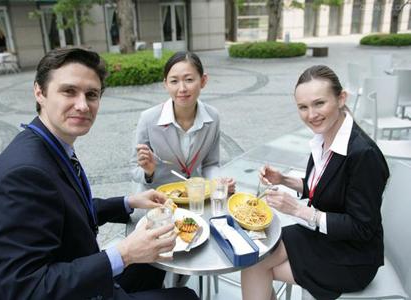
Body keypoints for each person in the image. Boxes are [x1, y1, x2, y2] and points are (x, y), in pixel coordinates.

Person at [0, 47, 198, 300]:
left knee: (152, 263)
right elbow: (24, 289)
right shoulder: (24, 175)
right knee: (186, 296)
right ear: (39, 92)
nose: (82, 105)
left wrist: (128, 202)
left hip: (79, 275)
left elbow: (65, 210)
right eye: (69, 91)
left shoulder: (46, 144)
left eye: (91, 94)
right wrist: (124, 253)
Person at [241, 65, 389, 300]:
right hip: (325, 237)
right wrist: (284, 180)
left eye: (319, 103)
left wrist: (299, 210)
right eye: (303, 107)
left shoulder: (364, 154)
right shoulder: (324, 137)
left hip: (353, 257)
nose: (311, 115)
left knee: (257, 267)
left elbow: (363, 228)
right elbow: (327, 187)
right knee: (254, 257)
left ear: (341, 99)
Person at [130, 51, 235, 193]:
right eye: (174, 81)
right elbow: (134, 169)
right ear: (165, 84)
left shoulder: (212, 117)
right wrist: (149, 172)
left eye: (189, 80)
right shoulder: (148, 119)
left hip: (194, 196)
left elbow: (211, 164)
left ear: (203, 81)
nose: (182, 89)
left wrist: (218, 182)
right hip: (157, 199)